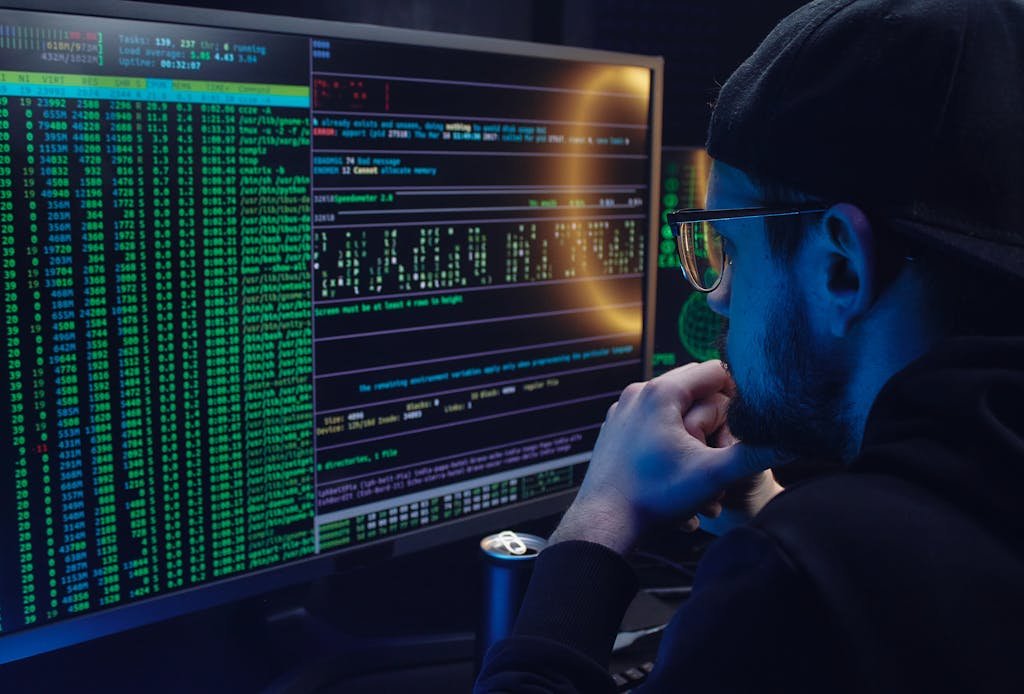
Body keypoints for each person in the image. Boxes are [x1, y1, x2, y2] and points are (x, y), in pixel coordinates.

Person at [474, 0, 1024, 691]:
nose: (718, 295)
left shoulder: (804, 580)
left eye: (730, 249)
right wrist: (765, 506)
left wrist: (599, 519)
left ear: (839, 267)